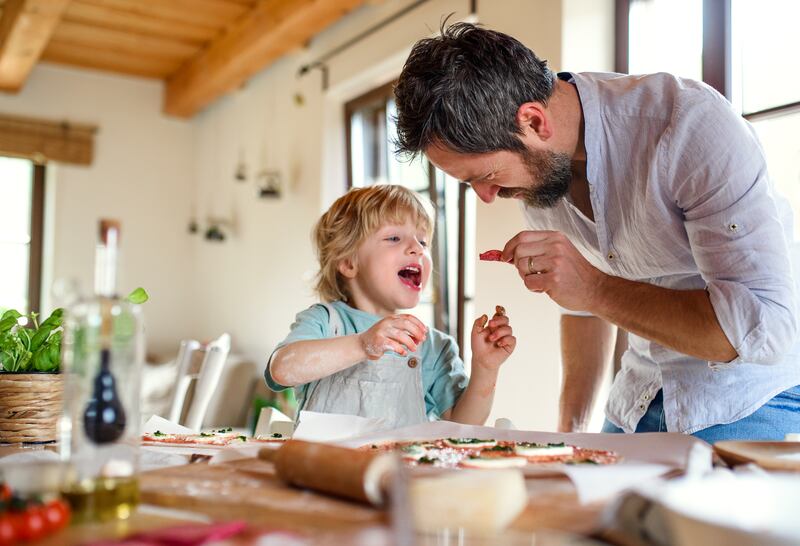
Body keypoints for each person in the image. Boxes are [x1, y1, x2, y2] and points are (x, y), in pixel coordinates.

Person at [393, 22, 800, 442]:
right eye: (469, 183)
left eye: (488, 175)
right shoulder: (539, 172)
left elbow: (759, 330)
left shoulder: (688, 127)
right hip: (637, 398)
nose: (487, 197)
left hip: (752, 395)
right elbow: (582, 308)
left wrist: (595, 289)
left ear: (533, 121)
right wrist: (568, 436)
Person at [265, 184, 516, 428]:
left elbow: (462, 425)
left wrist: (485, 368)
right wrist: (362, 344)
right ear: (349, 263)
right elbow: (282, 369)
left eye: (423, 241)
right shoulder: (325, 321)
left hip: (399, 470)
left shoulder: (433, 347)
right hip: (322, 468)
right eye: (394, 237)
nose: (417, 248)